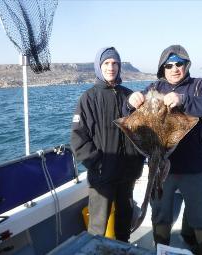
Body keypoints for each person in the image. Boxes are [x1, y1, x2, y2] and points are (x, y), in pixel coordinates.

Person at [124, 45, 202, 254]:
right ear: (162, 68)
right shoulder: (153, 89)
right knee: (160, 215)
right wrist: (129, 103)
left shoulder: (199, 86)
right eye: (169, 65)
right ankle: (162, 250)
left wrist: (183, 100)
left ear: (186, 65)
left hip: (194, 168)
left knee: (201, 217)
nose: (174, 68)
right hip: (159, 166)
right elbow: (129, 114)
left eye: (179, 63)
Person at [70, 47, 144, 242]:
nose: (111, 67)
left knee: (124, 220)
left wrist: (138, 160)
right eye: (106, 63)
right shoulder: (88, 98)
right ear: (99, 67)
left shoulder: (130, 96)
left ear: (119, 67)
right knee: (98, 225)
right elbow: (78, 138)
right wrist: (99, 164)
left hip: (127, 174)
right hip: (102, 176)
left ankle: (123, 248)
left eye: (115, 63)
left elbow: (142, 133)